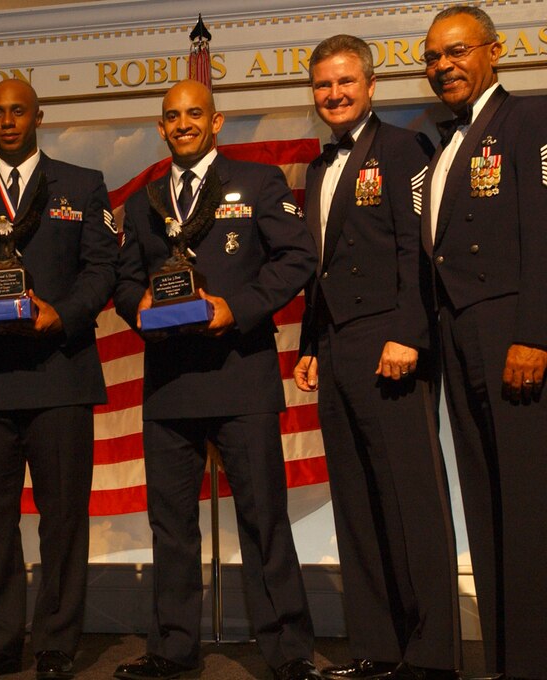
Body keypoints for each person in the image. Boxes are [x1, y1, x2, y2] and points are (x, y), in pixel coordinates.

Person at [113, 80, 318, 680]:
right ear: (161, 127)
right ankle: (172, 648)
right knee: (171, 526)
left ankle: (287, 651)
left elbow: (297, 258)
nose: (183, 124)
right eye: (172, 116)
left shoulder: (257, 183)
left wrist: (240, 306)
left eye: (193, 114)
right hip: (170, 383)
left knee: (263, 518)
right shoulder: (145, 200)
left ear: (216, 120)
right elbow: (124, 280)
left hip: (240, 375)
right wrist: (140, 303)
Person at [0, 78, 117, 680]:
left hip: (59, 373)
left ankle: (57, 643)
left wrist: (63, 313)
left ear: (39, 115)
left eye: (17, 111)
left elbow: (101, 268)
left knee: (63, 518)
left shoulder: (82, 185)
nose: (7, 121)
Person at [292, 35, 463, 680]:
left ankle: (432, 653)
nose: (333, 95)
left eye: (344, 83)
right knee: (357, 501)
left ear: (369, 86)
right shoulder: (315, 167)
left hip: (390, 343)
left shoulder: (402, 148)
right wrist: (310, 344)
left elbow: (417, 251)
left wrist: (409, 334)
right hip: (336, 348)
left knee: (411, 500)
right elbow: (319, 268)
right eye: (322, 86)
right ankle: (377, 645)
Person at [421, 7, 547, 679]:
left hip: (512, 341)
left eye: (457, 51)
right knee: (487, 503)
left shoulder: (531, 120)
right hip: (459, 340)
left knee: (528, 507)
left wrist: (534, 334)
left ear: (495, 52)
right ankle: (502, 659)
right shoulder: (443, 144)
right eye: (433, 57)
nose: (443, 65)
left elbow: (545, 233)